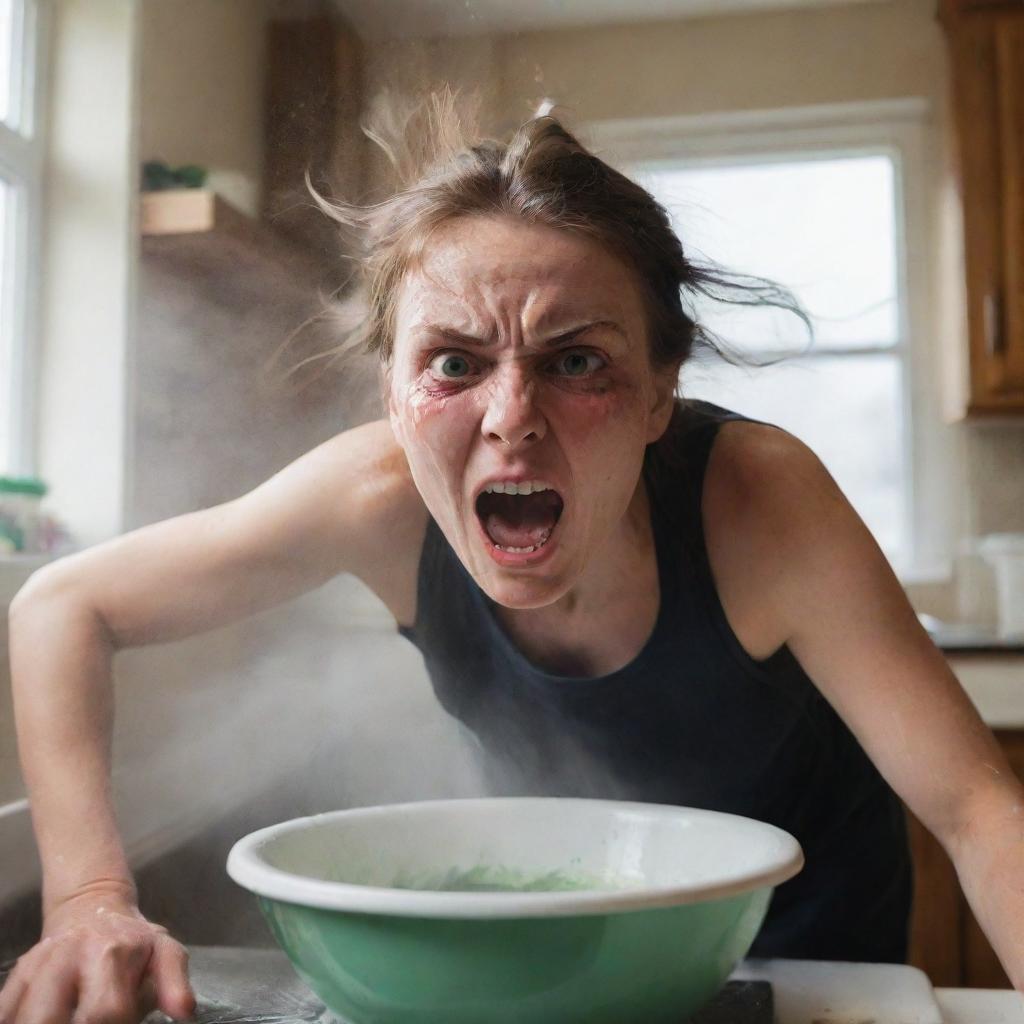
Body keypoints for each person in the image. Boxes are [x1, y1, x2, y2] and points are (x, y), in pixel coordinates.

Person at [3, 90, 1023, 1024]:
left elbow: (980, 810)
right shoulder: (375, 497)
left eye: (575, 360)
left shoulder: (762, 503)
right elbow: (62, 604)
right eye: (453, 362)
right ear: (393, 396)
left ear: (660, 392)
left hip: (808, 966)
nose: (511, 419)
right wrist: (89, 900)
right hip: (574, 950)